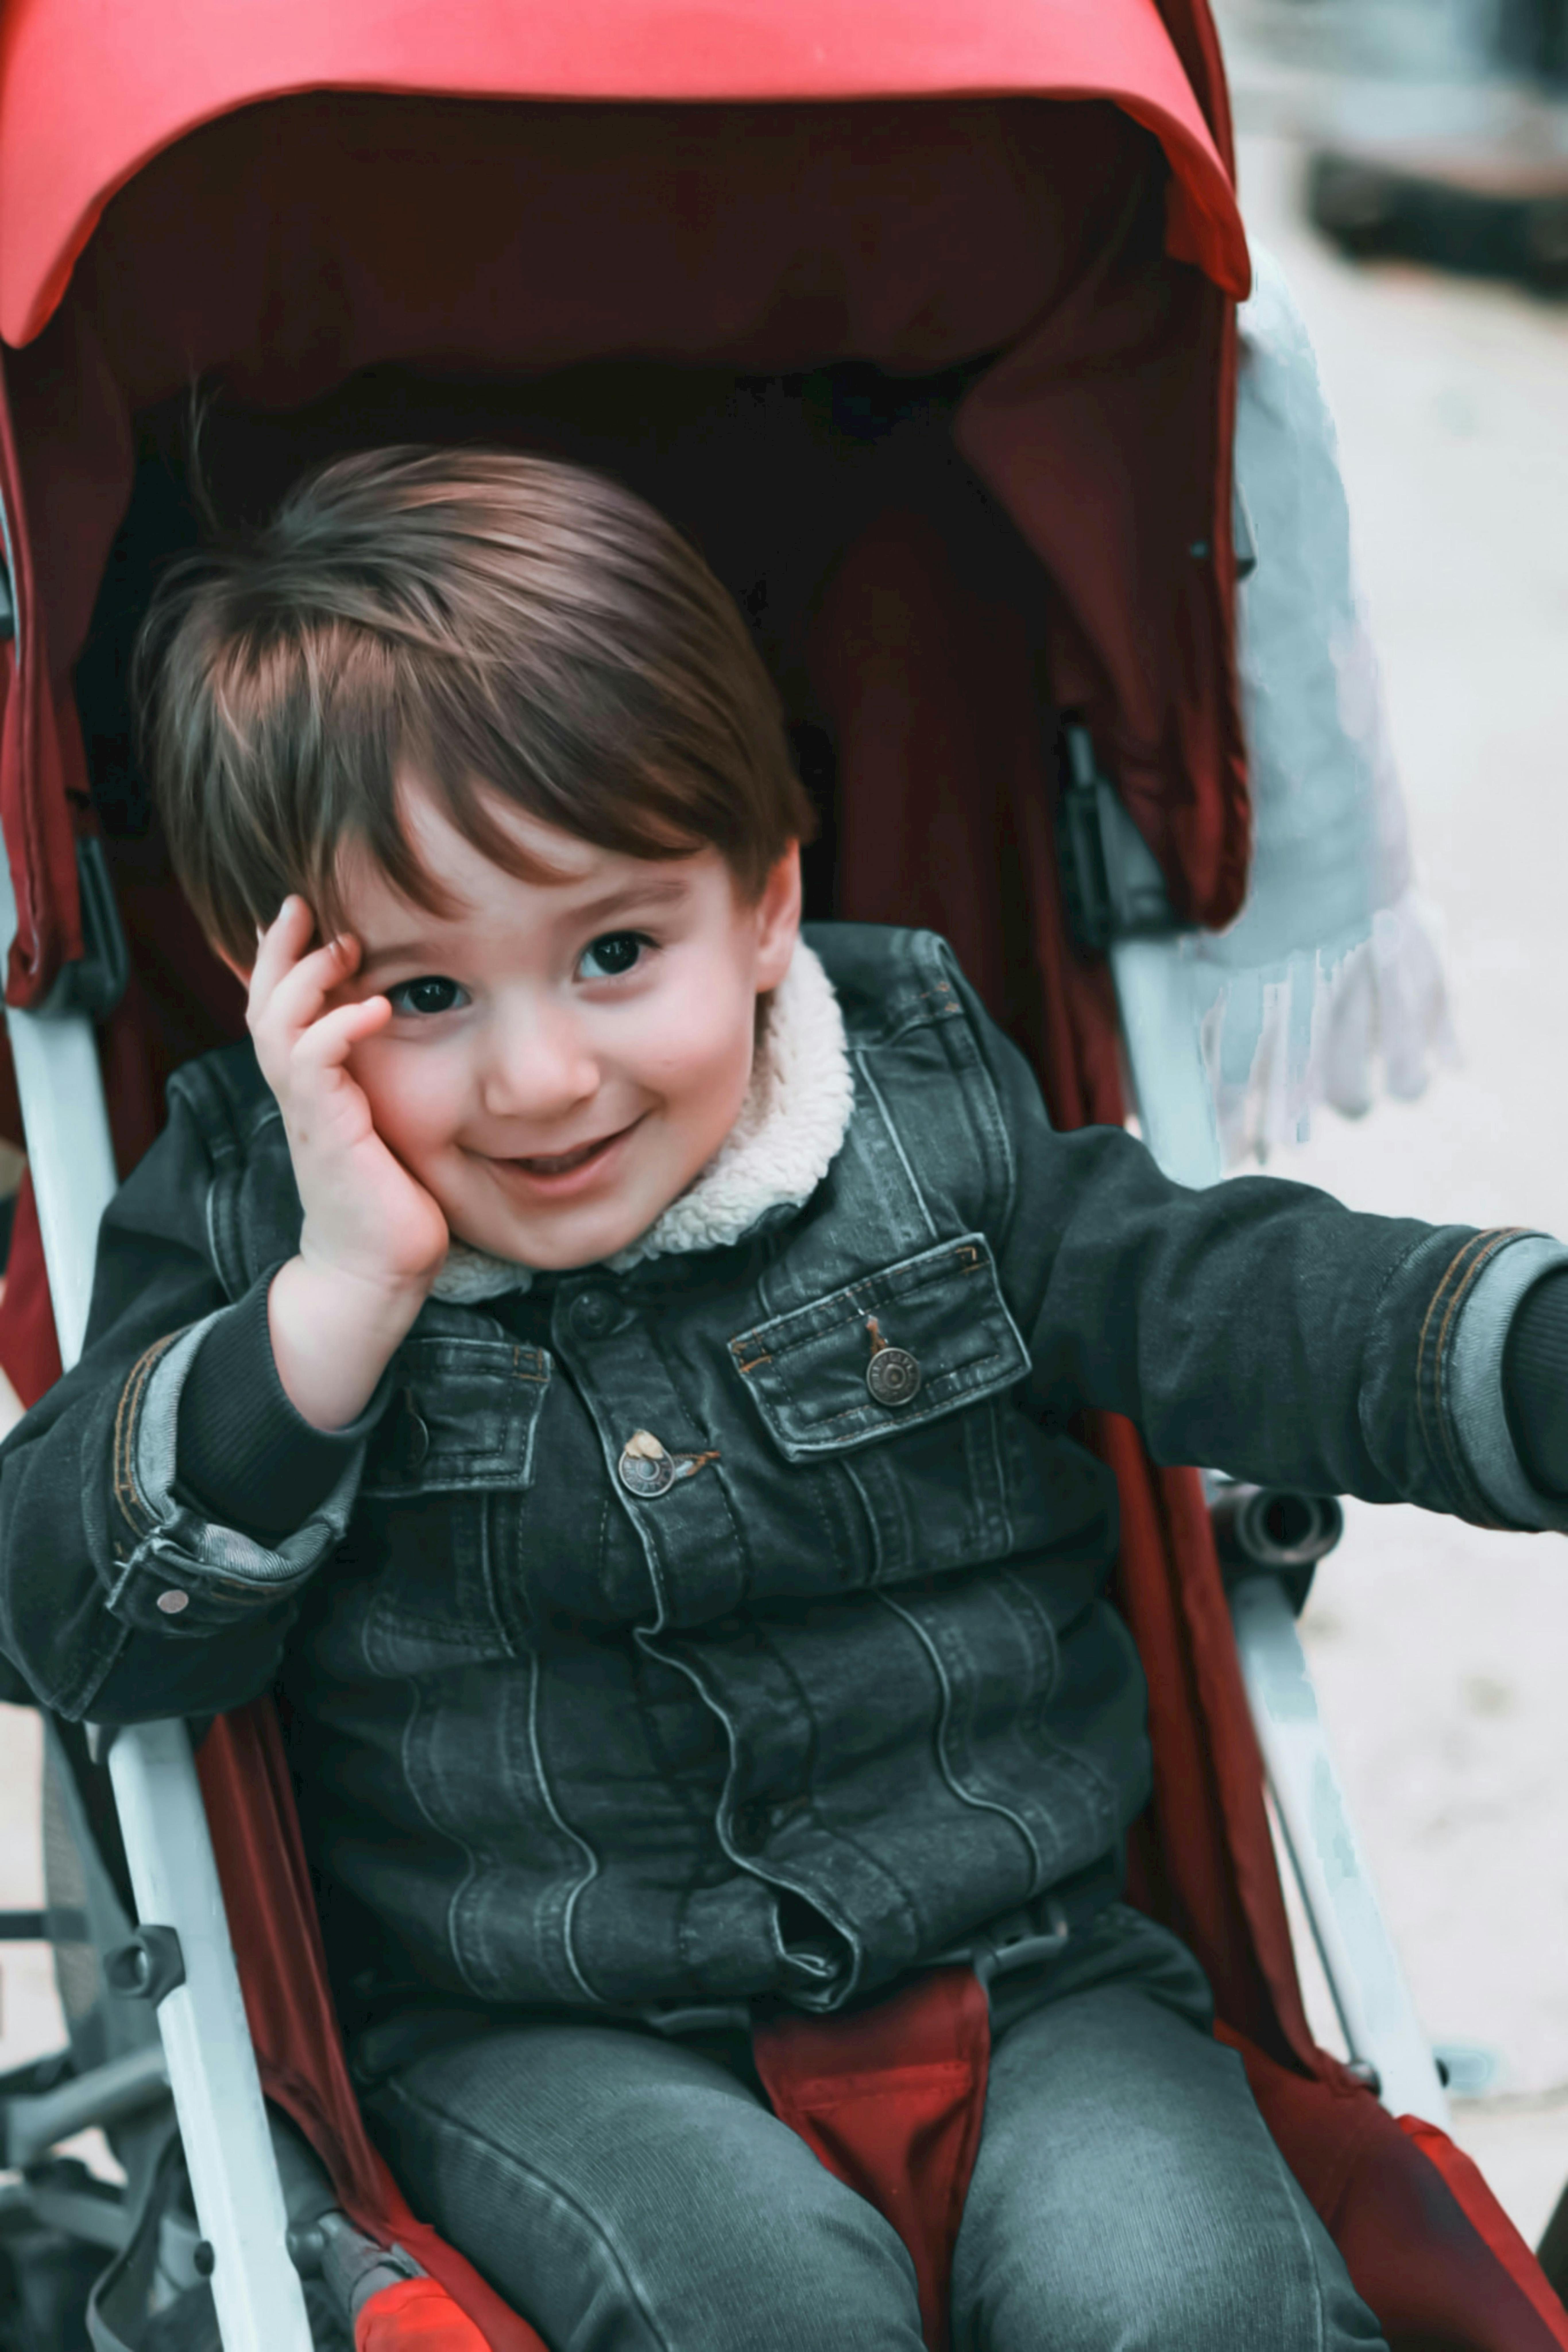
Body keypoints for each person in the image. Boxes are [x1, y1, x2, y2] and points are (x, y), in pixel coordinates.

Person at [4, 446, 1568, 2352]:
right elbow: (57, 1613)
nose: (542, 1077)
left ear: (763, 904)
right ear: (281, 996)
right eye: (420, 997)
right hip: (542, 2035)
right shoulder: (254, 1221)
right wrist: (327, 1312)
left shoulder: (921, 1125)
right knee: (752, 2306)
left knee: (1193, 2297)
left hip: (1033, 1973)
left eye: (612, 952)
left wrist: (1517, 1355)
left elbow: (1235, 1293)